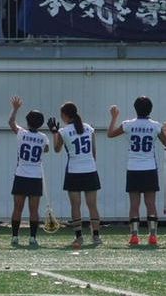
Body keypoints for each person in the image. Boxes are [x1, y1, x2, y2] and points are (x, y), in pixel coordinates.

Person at [51, 100, 102, 249]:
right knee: (92, 205)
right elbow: (93, 152)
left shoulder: (64, 131)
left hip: (74, 171)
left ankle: (79, 237)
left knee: (75, 205)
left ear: (65, 115)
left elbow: (56, 149)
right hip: (90, 170)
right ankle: (96, 236)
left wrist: (54, 133)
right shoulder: (89, 128)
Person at [7, 96, 50, 247]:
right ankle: (32, 237)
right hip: (36, 176)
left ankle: (15, 236)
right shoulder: (43, 137)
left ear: (27, 121)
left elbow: (11, 123)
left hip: (21, 174)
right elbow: (46, 149)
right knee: (34, 210)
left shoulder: (21, 133)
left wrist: (15, 108)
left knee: (17, 208)